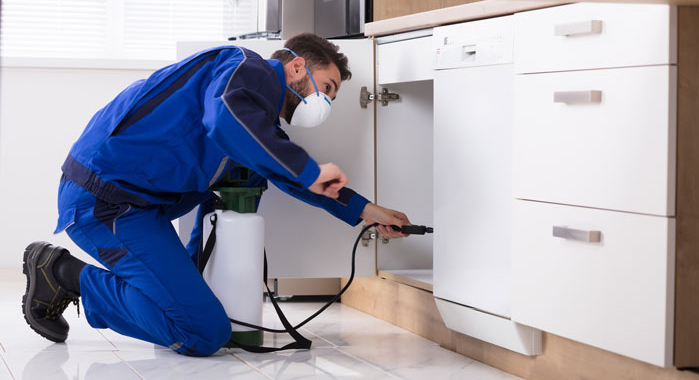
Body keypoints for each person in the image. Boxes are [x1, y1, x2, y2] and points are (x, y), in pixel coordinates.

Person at [21, 33, 411, 357]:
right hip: (102, 201)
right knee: (203, 332)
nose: (324, 103)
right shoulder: (247, 68)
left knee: (250, 173)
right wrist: (310, 170)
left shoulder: (256, 122)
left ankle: (190, 283)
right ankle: (63, 274)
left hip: (141, 206)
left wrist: (369, 211)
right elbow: (226, 116)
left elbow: (294, 179)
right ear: (295, 67)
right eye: (326, 88)